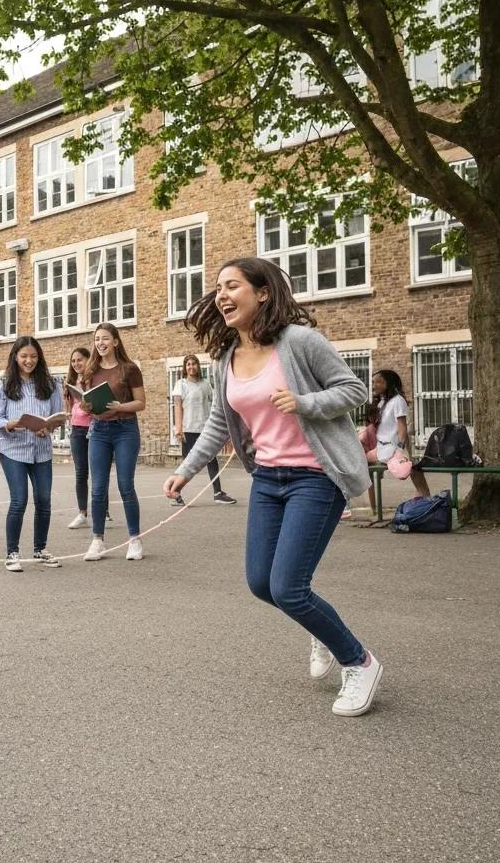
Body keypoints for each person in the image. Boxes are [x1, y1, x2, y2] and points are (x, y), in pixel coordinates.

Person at [162, 256, 383, 718]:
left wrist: (304, 402)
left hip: (315, 477)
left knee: (288, 587)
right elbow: (220, 423)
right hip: (267, 479)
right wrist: (186, 470)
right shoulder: (226, 359)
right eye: (218, 288)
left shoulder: (300, 342)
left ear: (262, 293)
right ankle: (322, 630)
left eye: (233, 285)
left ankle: (358, 661)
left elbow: (354, 391)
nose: (221, 294)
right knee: (262, 583)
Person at [0, 336, 65, 571]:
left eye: (33, 356)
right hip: (13, 450)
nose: (29, 361)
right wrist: (12, 423)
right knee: (19, 500)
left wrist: (49, 427)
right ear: (15, 357)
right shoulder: (3, 385)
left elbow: (57, 417)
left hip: (41, 450)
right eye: (24, 356)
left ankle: (40, 549)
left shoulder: (51, 385)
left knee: (44, 500)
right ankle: (12, 553)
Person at [81, 323, 147, 562]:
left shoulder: (129, 369)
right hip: (99, 430)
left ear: (116, 342)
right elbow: (88, 404)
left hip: (125, 430)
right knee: (98, 488)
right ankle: (97, 540)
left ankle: (134, 540)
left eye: (105, 338)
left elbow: (141, 403)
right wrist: (85, 405)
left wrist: (120, 406)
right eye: (97, 339)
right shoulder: (90, 370)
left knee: (125, 485)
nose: (100, 343)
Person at [357, 369, 430, 514]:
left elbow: (402, 427)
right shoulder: (382, 402)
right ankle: (374, 509)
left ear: (389, 383)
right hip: (381, 448)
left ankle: (425, 497)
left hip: (391, 448)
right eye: (374, 382)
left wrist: (401, 449)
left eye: (379, 382)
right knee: (359, 461)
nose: (375, 385)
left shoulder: (398, 401)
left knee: (407, 469)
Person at [172, 353, 236, 507]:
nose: (191, 366)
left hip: (205, 428)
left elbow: (214, 406)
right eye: (188, 364)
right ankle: (176, 494)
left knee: (212, 461)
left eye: (194, 363)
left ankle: (218, 493)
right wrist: (178, 428)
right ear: (185, 368)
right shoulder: (181, 384)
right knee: (187, 463)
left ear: (198, 366)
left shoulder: (206, 384)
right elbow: (177, 407)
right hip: (188, 429)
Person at [64, 347, 115, 530]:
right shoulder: (70, 382)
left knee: (99, 472)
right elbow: (69, 407)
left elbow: (104, 405)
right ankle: (82, 513)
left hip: (96, 429)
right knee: (81, 473)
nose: (76, 364)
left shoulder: (96, 378)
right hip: (77, 430)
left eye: (80, 360)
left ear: (88, 360)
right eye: (73, 361)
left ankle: (104, 511)